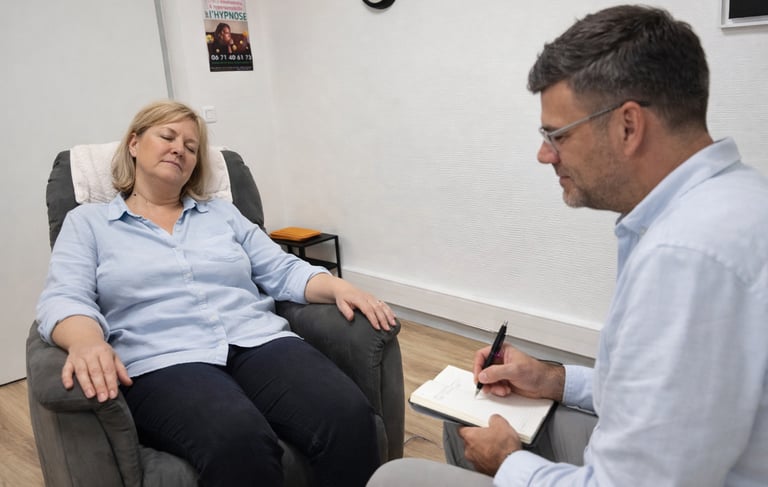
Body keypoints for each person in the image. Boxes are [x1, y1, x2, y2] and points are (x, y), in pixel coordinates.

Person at [368, 5, 768, 486]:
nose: (544, 154)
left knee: (394, 478)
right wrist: (554, 379)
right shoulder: (737, 199)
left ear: (627, 126)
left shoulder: (684, 258)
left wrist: (510, 463)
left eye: (557, 134)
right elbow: (662, 395)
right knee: (470, 422)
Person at [36, 100, 397, 487]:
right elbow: (65, 296)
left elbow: (280, 269)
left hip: (257, 339)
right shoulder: (88, 222)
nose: (179, 149)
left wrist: (340, 287)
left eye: (191, 147)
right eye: (168, 136)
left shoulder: (222, 215)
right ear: (135, 144)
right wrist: (86, 341)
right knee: (239, 442)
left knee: (348, 417)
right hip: (164, 358)